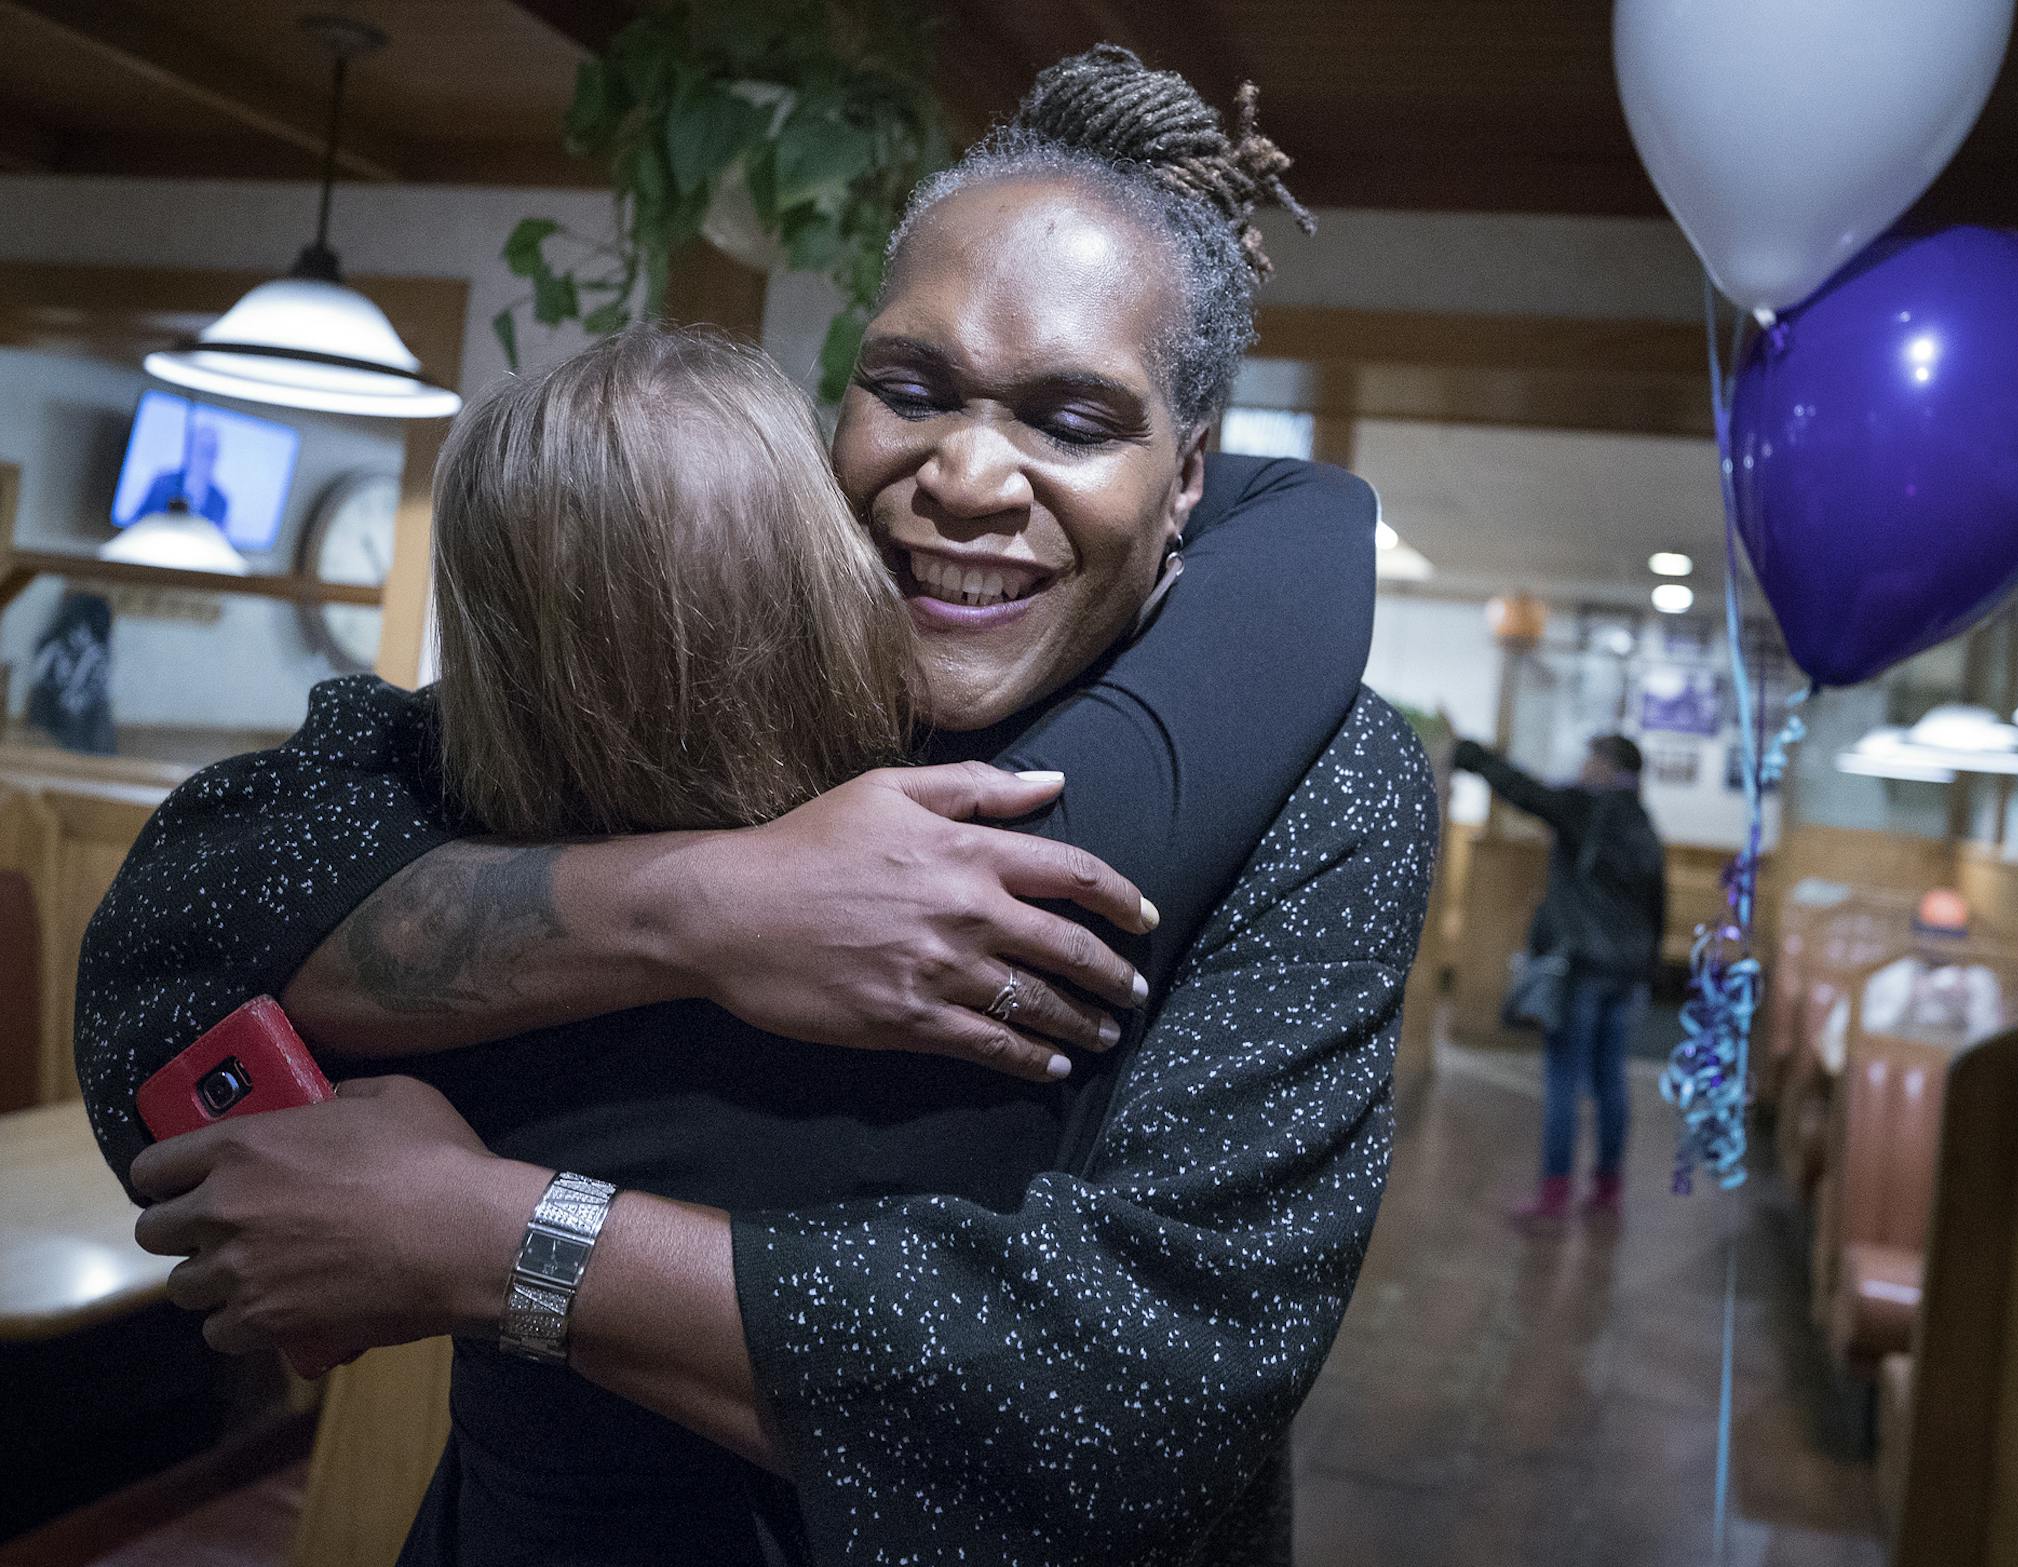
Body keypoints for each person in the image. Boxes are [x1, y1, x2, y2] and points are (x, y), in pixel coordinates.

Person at [85, 46, 1439, 1567]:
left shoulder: (1321, 783)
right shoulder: (720, 649)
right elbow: (192, 928)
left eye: (1072, 421)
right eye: (910, 389)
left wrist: (493, 1233)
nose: (967, 475)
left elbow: (1136, 1398)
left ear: (1187, 477)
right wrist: (707, 904)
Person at [1452, 731, 1665, 1222]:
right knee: (1610, 1079)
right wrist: (1646, 969)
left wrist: (1470, 755)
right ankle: (1608, 1187)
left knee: (1563, 1080)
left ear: (1608, 767)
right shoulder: (1643, 823)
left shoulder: (1585, 809)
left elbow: (1524, 791)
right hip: (1625, 972)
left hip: (1580, 968)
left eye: (1592, 759)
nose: (1583, 767)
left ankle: (1554, 1194)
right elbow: (1657, 905)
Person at [130, 415, 229, 525]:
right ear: (190, 450)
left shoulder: (220, 501)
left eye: (212, 450)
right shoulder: (162, 483)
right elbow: (135, 522)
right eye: (202, 448)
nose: (207, 457)